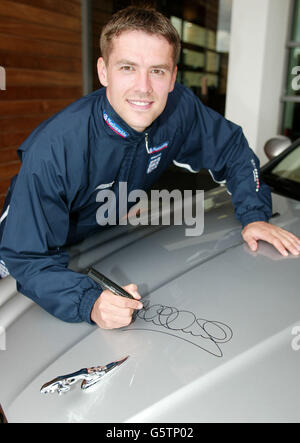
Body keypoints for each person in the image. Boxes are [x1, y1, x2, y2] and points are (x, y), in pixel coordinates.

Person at [0, 7, 299, 330]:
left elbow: (233, 150)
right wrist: (89, 302)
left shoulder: (178, 110)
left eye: (157, 71)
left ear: (172, 77)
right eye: (128, 67)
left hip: (99, 231)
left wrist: (254, 215)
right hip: (23, 243)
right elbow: (27, 255)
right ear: (104, 72)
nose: (143, 87)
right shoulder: (55, 148)